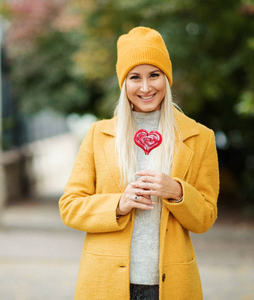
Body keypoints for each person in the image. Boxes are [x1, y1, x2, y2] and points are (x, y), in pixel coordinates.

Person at [59, 26, 219, 300]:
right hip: (105, 283)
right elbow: (70, 206)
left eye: (154, 75)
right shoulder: (99, 135)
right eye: (135, 77)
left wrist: (177, 191)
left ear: (166, 78)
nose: (145, 87)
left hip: (172, 286)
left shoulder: (199, 137)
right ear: (124, 83)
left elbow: (205, 217)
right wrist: (118, 205)